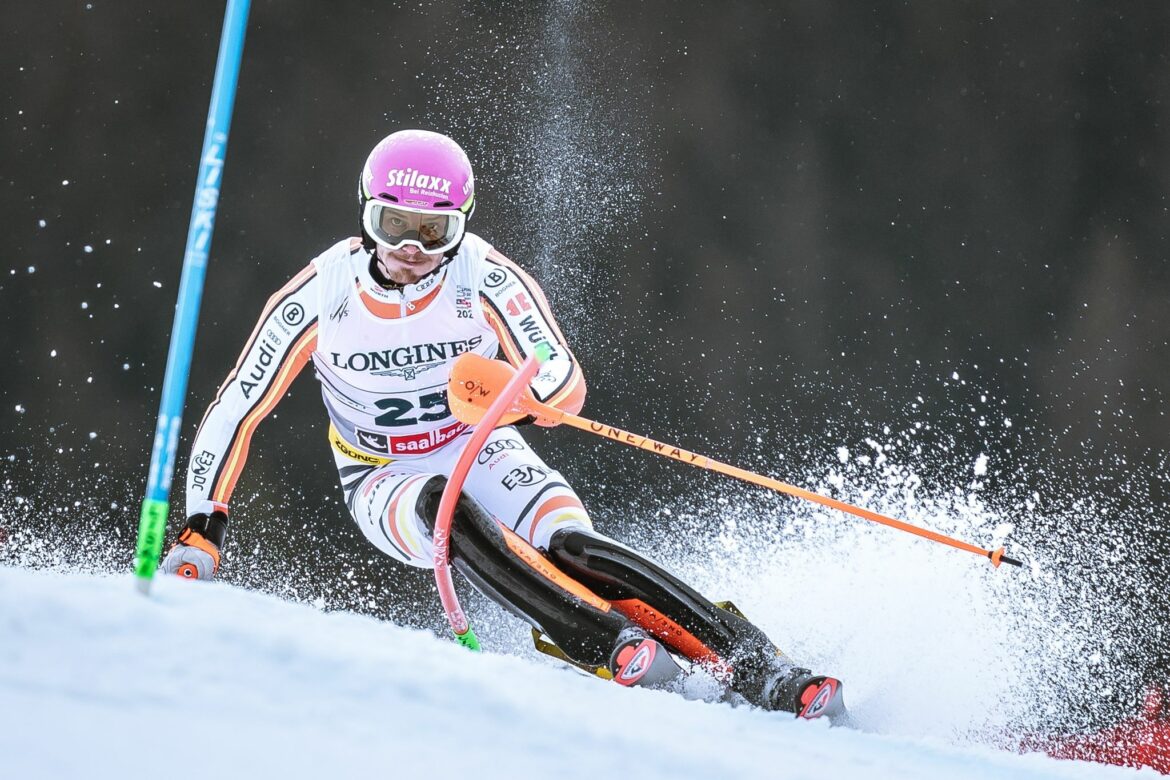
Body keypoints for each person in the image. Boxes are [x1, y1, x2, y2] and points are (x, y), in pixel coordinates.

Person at [161, 128, 847, 721]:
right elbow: (238, 405)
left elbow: (560, 379)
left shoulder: (482, 275)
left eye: (434, 232)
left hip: (480, 443)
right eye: (391, 224)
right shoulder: (321, 293)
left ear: (461, 223)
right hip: (381, 474)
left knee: (572, 546)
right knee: (442, 511)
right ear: (365, 214)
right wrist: (203, 527)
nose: (410, 248)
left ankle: (761, 667)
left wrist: (512, 399)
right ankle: (603, 643)